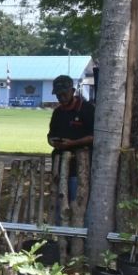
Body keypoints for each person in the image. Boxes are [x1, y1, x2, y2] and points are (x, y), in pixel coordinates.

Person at [48, 74, 94, 219]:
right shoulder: (57, 112)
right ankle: (59, 234)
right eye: (58, 95)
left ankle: (77, 235)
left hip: (79, 167)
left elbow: (94, 136)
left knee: (76, 201)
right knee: (58, 201)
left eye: (64, 94)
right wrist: (53, 142)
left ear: (73, 91)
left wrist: (73, 143)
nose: (61, 98)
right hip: (59, 164)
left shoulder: (86, 109)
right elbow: (50, 134)